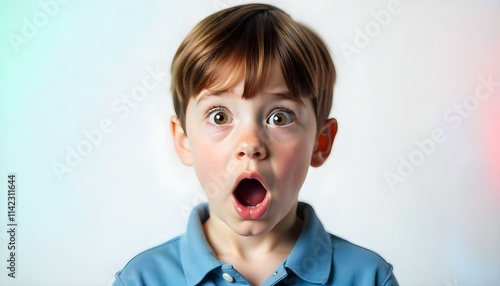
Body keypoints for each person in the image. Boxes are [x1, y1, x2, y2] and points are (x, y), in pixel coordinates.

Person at [113, 3, 399, 285]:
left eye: (279, 117)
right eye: (220, 115)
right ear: (184, 140)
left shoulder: (368, 277)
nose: (250, 144)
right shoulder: (142, 280)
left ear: (320, 143)